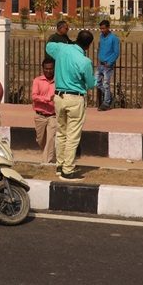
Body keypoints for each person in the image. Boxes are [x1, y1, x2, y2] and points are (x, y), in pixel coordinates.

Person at [46, 29, 96, 181]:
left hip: (59, 96)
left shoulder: (62, 49)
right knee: (72, 136)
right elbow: (90, 84)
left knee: (61, 132)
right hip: (75, 98)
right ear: (88, 46)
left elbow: (48, 46)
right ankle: (67, 170)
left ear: (76, 38)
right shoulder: (84, 61)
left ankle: (60, 165)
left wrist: (64, 42)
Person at [31, 57, 56, 165]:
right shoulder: (37, 81)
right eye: (46, 69)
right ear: (43, 69)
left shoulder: (59, 81)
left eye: (51, 69)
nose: (48, 71)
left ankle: (46, 162)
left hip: (53, 115)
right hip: (40, 115)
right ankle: (48, 154)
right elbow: (34, 96)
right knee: (40, 140)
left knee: (51, 139)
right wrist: (47, 99)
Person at [95, 19, 120, 111]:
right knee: (96, 82)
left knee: (106, 84)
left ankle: (106, 103)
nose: (102, 30)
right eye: (101, 28)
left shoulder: (114, 38)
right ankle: (109, 96)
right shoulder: (101, 37)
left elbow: (116, 52)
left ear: (108, 28)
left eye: (103, 28)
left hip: (107, 65)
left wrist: (109, 63)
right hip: (100, 64)